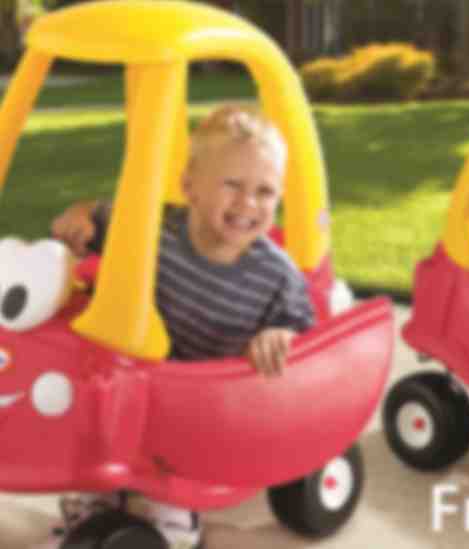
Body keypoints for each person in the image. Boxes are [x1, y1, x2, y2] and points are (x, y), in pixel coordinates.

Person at [38, 105, 315, 549]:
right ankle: (90, 522)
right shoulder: (152, 230)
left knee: (164, 502)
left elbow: (302, 328)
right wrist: (78, 217)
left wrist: (278, 335)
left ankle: (168, 528)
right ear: (190, 188)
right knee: (91, 472)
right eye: (232, 185)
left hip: (200, 410)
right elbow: (95, 213)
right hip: (131, 387)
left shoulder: (277, 276)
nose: (248, 204)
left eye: (265, 192)